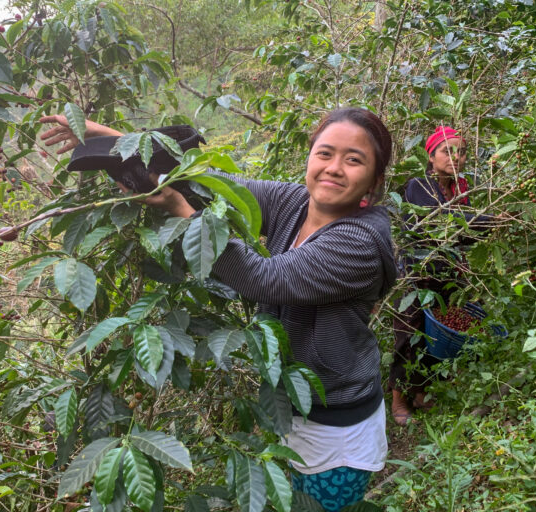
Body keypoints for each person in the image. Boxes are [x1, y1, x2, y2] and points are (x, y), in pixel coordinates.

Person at [41, 108, 397, 511]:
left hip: (337, 423)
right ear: (309, 157)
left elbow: (264, 278)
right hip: (289, 403)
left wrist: (185, 213)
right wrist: (110, 137)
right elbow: (215, 186)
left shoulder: (359, 243)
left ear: (374, 179)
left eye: (354, 160)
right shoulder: (294, 202)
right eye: (325, 153)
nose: (334, 168)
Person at [389, 126, 493, 425]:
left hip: (447, 274)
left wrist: (490, 224)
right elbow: (442, 223)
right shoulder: (418, 186)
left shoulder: (461, 190)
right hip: (415, 274)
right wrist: (487, 220)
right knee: (408, 335)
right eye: (448, 151)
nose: (457, 157)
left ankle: (423, 392)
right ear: (431, 156)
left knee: (437, 336)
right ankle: (399, 398)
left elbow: (466, 234)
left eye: (461, 151)